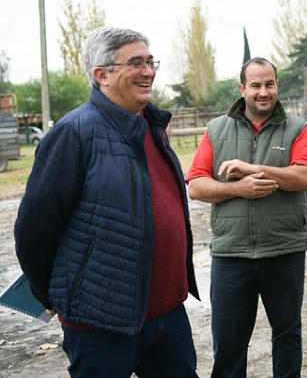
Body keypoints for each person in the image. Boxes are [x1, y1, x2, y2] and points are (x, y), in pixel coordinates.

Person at [14, 27, 200, 378]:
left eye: (150, 61)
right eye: (135, 63)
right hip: (102, 324)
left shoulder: (152, 125)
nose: (148, 71)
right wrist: (52, 296)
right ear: (102, 75)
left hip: (167, 315)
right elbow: (33, 229)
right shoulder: (74, 132)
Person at [186, 57, 307, 378]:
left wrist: (253, 169)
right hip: (232, 255)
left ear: (277, 85)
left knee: (287, 335)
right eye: (256, 85)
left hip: (284, 250)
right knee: (229, 343)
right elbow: (195, 186)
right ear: (242, 88)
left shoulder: (297, 128)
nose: (263, 92)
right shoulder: (216, 130)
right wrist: (238, 189)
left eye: (269, 84)